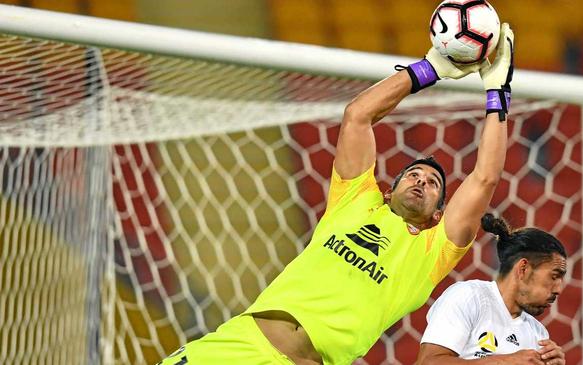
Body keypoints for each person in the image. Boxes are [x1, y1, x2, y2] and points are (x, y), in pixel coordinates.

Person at [160, 23, 515, 365]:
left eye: (433, 183)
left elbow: (485, 178)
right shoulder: (355, 202)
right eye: (414, 175)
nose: (421, 181)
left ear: (439, 215)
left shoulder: (429, 255)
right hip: (238, 345)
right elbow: (357, 116)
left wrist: (497, 92)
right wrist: (430, 68)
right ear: (388, 191)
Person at [415, 213, 568, 365]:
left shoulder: (537, 334)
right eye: (554, 276)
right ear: (523, 269)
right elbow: (427, 362)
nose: (559, 289)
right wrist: (503, 361)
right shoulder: (468, 297)